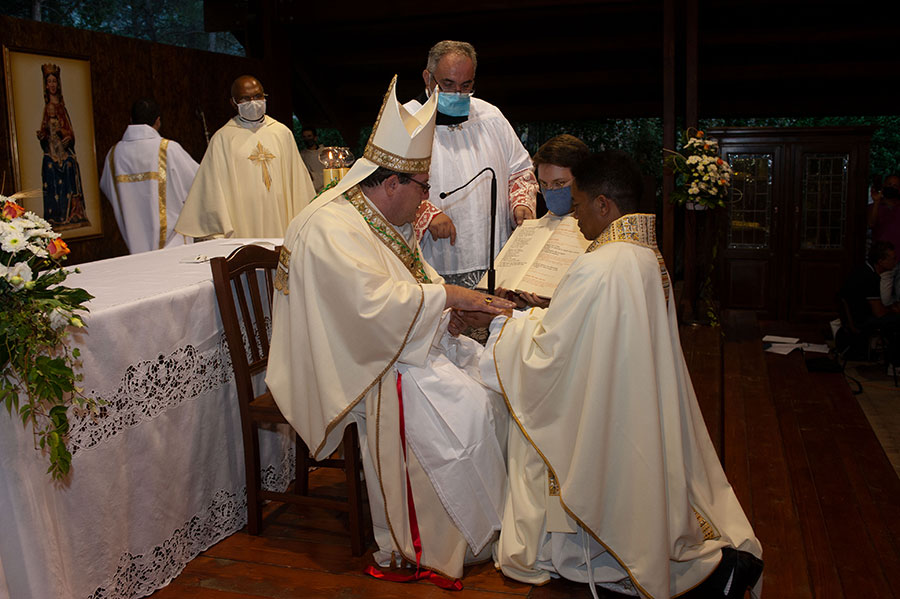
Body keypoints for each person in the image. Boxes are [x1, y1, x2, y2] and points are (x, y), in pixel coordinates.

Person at [460, 151, 764, 598]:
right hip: (632, 395)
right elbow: (578, 333)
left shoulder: (600, 265)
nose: (576, 216)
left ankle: (688, 571)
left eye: (579, 204)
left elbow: (551, 356)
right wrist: (534, 318)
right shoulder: (642, 255)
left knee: (529, 438)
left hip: (611, 409)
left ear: (604, 204)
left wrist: (499, 325)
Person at [266, 76, 516, 586]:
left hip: (387, 345)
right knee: (463, 412)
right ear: (392, 182)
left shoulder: (376, 215)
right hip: (346, 360)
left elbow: (410, 284)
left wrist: (452, 315)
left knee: (492, 387)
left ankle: (490, 525)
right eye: (423, 188)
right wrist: (451, 297)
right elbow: (367, 307)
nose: (425, 199)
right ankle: (428, 541)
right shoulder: (329, 226)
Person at [404, 41, 538, 288]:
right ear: (427, 77)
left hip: (492, 255)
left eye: (466, 86)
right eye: (448, 84)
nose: (457, 94)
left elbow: (520, 171)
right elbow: (384, 185)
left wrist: (521, 203)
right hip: (433, 259)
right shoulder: (405, 121)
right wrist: (425, 214)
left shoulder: (491, 117)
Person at [174, 75, 315, 239]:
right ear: (234, 103)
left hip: (280, 214)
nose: (253, 102)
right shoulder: (223, 139)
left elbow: (298, 182)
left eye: (258, 96)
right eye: (245, 98)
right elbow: (212, 188)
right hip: (243, 220)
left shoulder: (282, 133)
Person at [498, 134, 590, 309]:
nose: (551, 191)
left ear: (582, 180)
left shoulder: (595, 230)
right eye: (544, 184)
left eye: (559, 183)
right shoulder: (536, 228)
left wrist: (554, 302)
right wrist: (519, 302)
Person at [99, 98, 199, 253]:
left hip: (134, 245)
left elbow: (108, 189)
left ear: (131, 120)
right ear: (158, 121)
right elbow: (198, 183)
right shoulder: (168, 149)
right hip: (175, 245)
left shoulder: (114, 155)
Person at [36, 63, 88, 228]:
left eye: (54, 81)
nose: (51, 84)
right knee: (49, 166)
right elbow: (44, 131)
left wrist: (65, 135)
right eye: (49, 81)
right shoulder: (47, 109)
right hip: (52, 152)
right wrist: (42, 136)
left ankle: (74, 213)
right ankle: (55, 216)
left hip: (64, 153)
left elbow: (70, 134)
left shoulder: (62, 108)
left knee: (69, 166)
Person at [839, 240, 900, 373]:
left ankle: (891, 358)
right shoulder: (870, 277)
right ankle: (895, 364)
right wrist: (893, 310)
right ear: (880, 261)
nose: (895, 261)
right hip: (860, 320)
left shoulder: (863, 269)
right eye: (892, 258)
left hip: (857, 316)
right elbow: (879, 313)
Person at [299, 126, 326, 192]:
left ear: (315, 137)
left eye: (309, 136)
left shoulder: (324, 152)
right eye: (304, 137)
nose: (307, 139)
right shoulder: (302, 155)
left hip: (326, 187)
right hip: (312, 189)